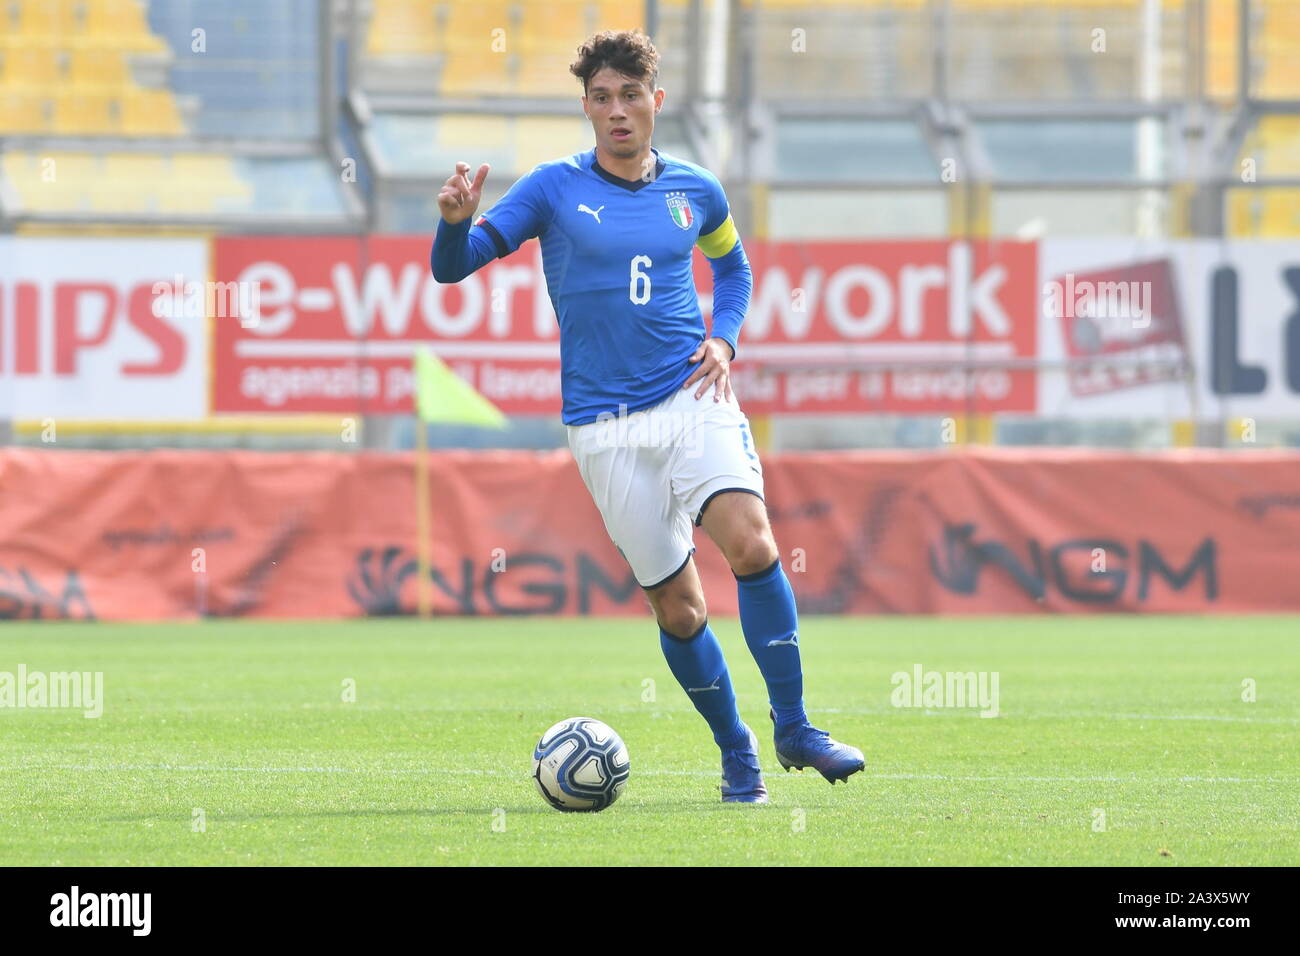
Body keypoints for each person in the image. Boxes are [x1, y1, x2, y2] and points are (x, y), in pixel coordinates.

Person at [430, 29, 863, 802]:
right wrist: (456, 221)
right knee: (681, 607)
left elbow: (733, 268)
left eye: (631, 95)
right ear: (587, 106)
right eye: (602, 97)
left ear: (655, 101)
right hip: (604, 428)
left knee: (754, 544)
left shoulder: (697, 189)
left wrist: (724, 342)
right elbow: (451, 268)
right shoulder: (551, 189)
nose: (618, 111)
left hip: (691, 398)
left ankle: (795, 726)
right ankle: (738, 754)